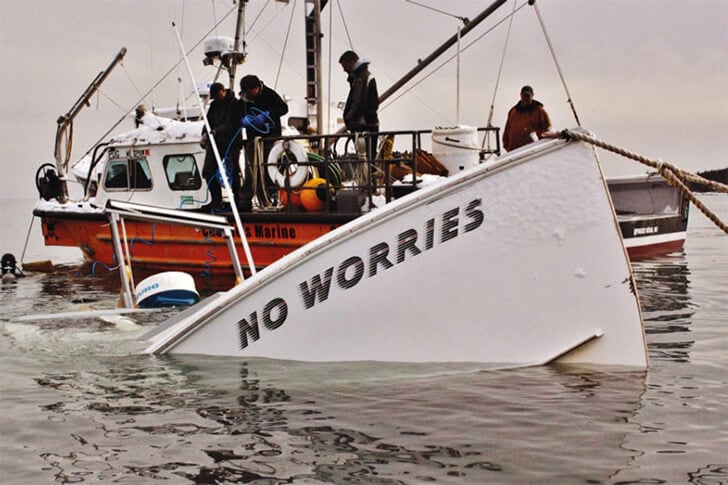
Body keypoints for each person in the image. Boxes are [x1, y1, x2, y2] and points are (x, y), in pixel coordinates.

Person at [229, 74, 289, 208]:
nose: (248, 96)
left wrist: (267, 114)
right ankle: (246, 200)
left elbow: (283, 108)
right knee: (252, 170)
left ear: (256, 88)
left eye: (250, 93)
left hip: (270, 138)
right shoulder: (244, 100)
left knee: (269, 169)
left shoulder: (269, 94)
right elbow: (235, 115)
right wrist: (242, 120)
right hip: (252, 140)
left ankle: (272, 197)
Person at [201, 82, 236, 210]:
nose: (216, 99)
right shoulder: (214, 105)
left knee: (234, 172)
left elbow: (232, 124)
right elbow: (208, 121)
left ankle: (237, 200)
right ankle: (216, 200)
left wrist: (217, 131)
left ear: (222, 91)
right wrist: (204, 134)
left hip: (231, 142)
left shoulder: (234, 104)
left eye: (217, 95)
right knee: (208, 171)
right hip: (216, 142)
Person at [339, 50, 379, 160]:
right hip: (368, 124)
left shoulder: (361, 78)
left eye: (345, 66)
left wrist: (349, 118)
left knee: (366, 158)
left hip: (364, 125)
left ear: (352, 62)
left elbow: (358, 102)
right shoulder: (363, 76)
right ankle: (369, 170)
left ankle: (369, 170)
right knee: (367, 158)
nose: (344, 70)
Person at [502, 85, 552, 152]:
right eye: (524, 96)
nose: (526, 98)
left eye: (528, 96)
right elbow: (507, 130)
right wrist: (506, 146)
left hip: (532, 151)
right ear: (520, 95)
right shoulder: (513, 111)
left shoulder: (539, 111)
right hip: (513, 150)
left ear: (532, 96)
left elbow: (548, 130)